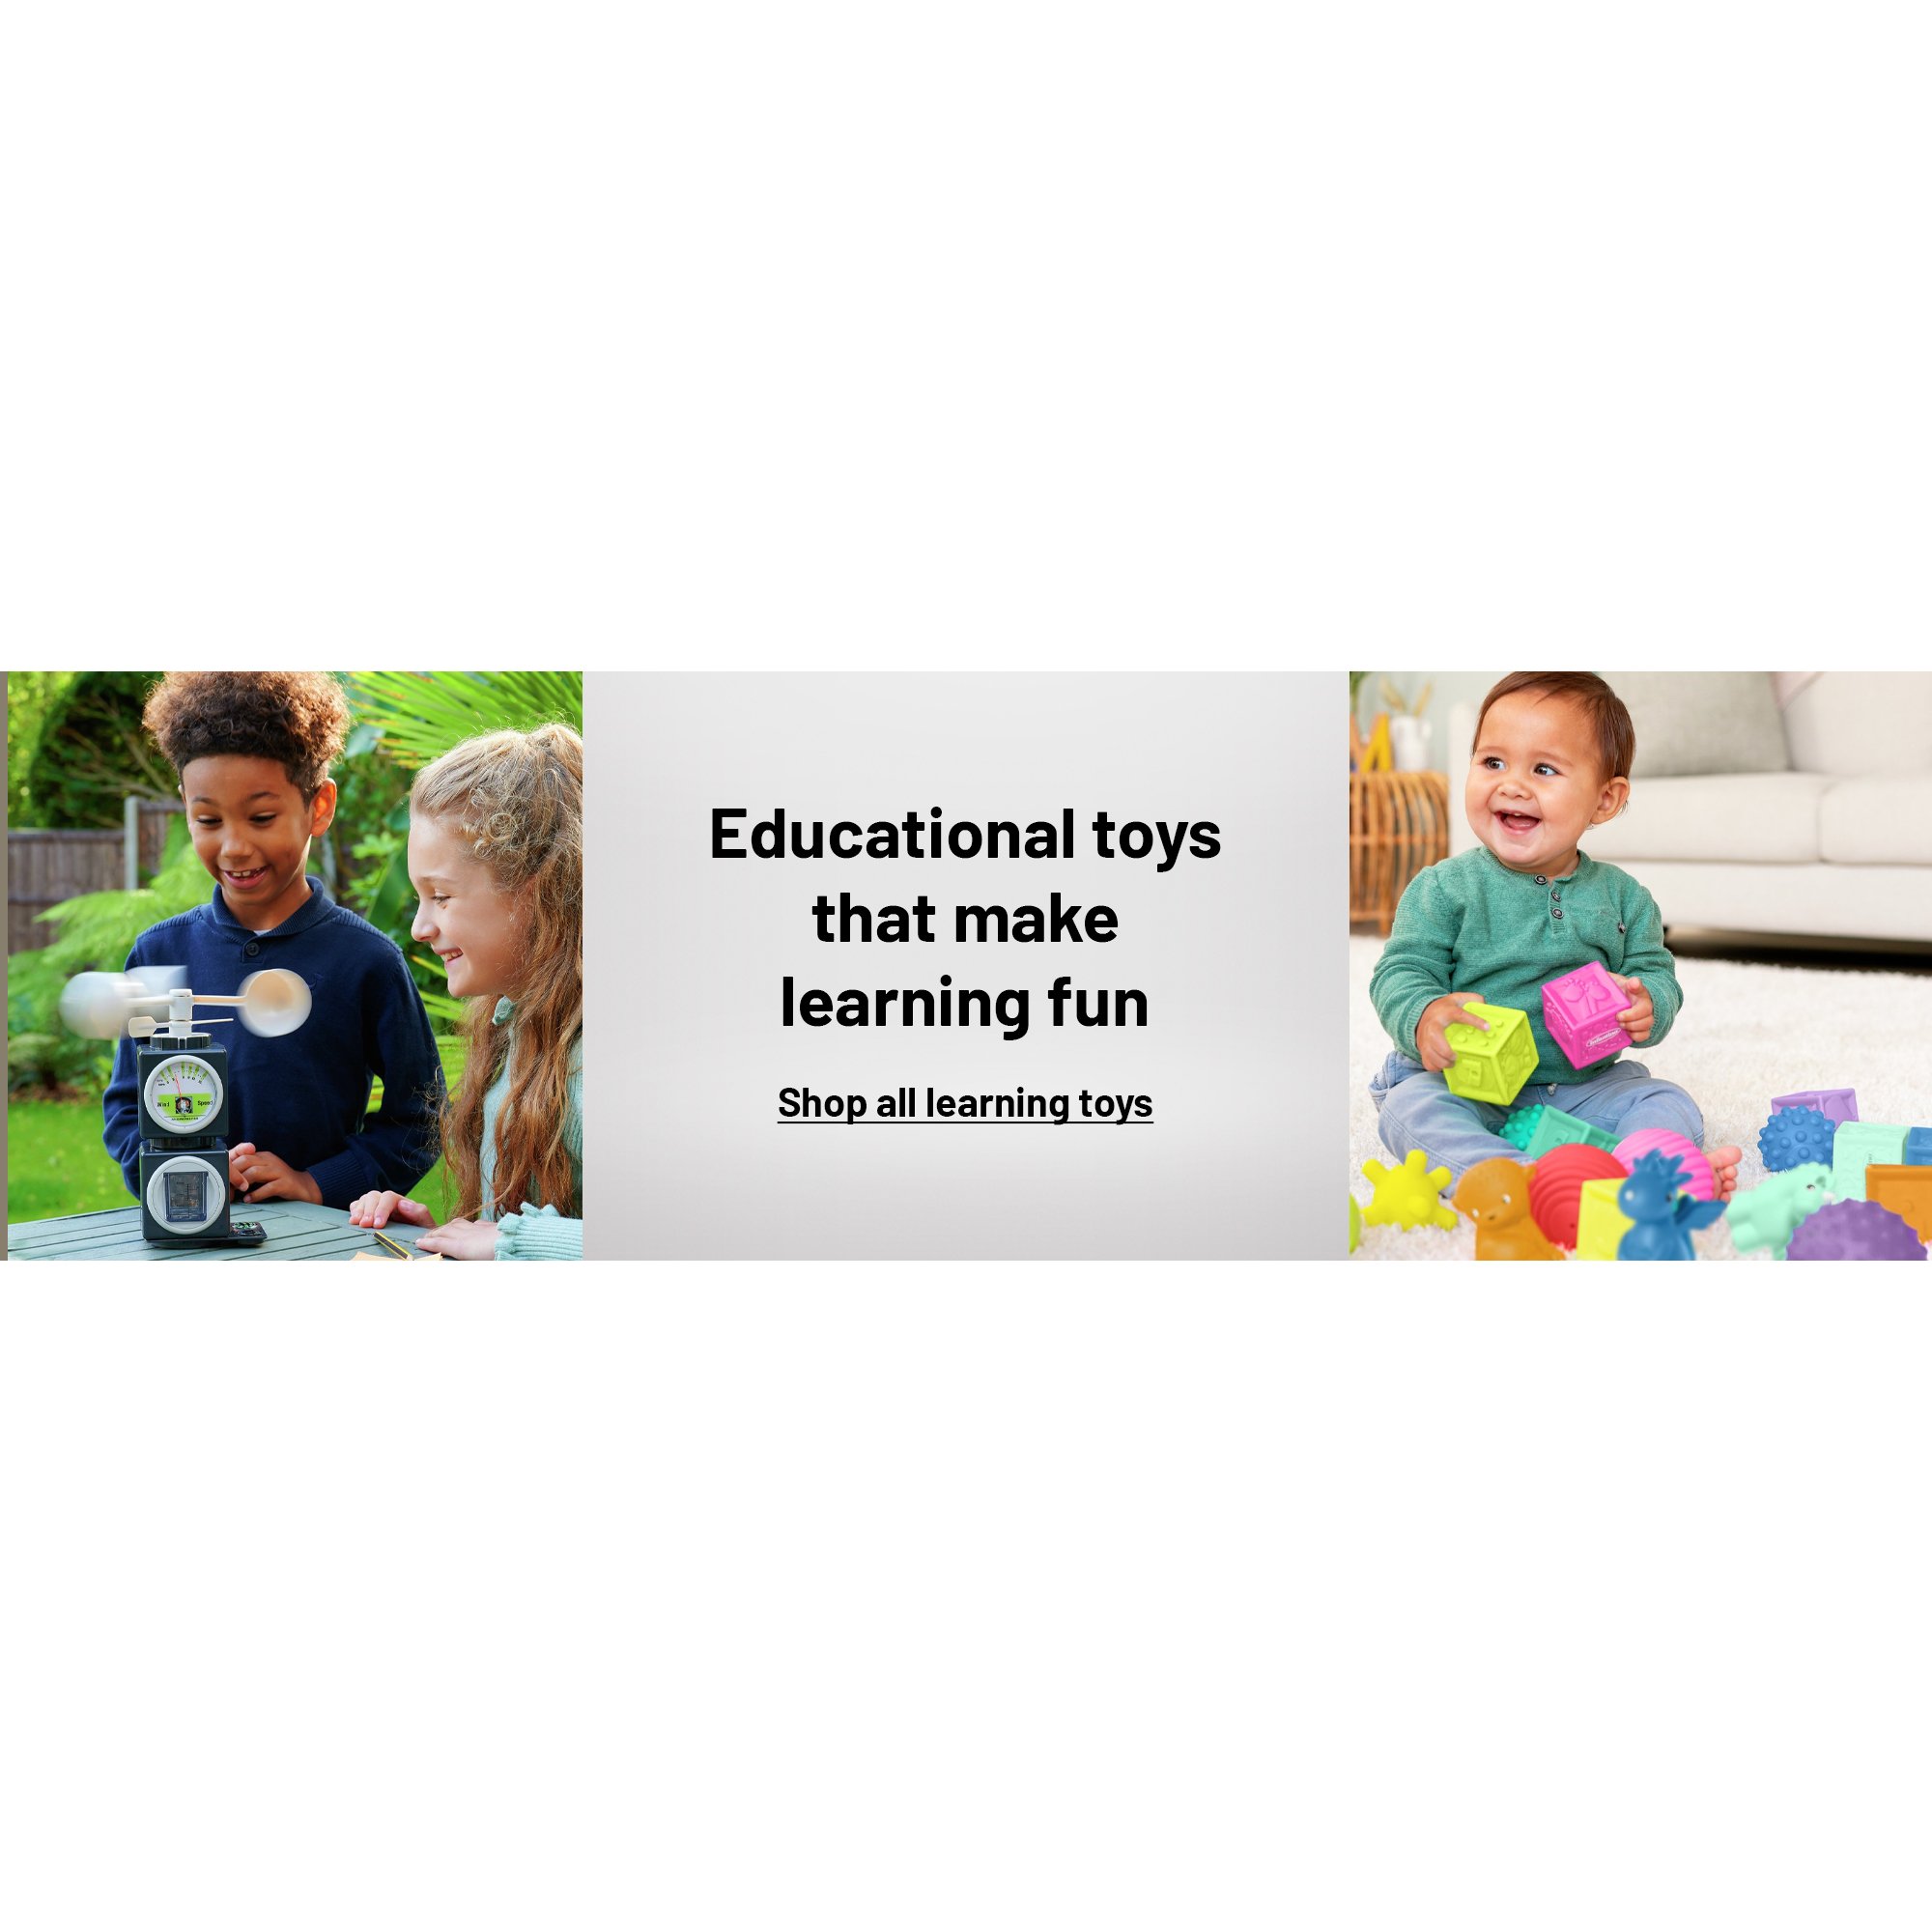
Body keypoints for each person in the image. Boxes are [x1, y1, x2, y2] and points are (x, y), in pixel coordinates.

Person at [1369, 670, 1743, 1197]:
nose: (1512, 784)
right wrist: (1426, 1016)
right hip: (1465, 1084)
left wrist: (1648, 1002)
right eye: (1492, 762)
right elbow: (1401, 971)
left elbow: (1655, 974)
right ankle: (1512, 1182)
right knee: (1411, 1108)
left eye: (1544, 768)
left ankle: (1644, 1174)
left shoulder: (1625, 898)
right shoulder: (1444, 887)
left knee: (1666, 1101)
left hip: (1580, 1087)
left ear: (1605, 801)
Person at [103, 672, 443, 1208]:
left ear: (319, 807)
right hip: (187, 1231)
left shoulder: (367, 961)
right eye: (208, 818)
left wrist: (319, 1183)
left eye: (262, 817)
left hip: (321, 1240)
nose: (235, 846)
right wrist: (182, 1178)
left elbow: (422, 1116)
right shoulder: (158, 955)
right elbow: (127, 1107)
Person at [348, 724, 582, 1260]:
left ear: (535, 892)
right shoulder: (515, 1023)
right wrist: (444, 1240)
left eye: (441, 896)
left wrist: (511, 1241)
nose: (419, 927)